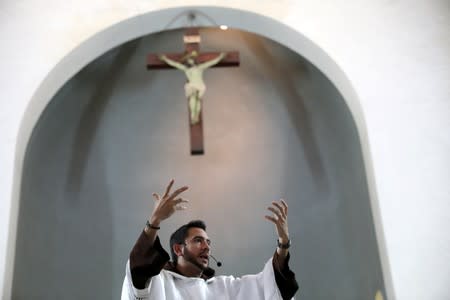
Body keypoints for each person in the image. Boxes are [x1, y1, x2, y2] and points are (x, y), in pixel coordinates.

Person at [121, 179, 299, 299]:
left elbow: (271, 287)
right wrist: (154, 221)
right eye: (198, 240)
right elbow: (139, 268)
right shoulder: (159, 282)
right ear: (178, 249)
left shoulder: (224, 288)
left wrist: (283, 244)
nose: (206, 246)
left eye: (208, 242)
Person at [159, 51, 226, 125]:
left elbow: (212, 62)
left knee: (198, 99)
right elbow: (175, 64)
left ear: (194, 60)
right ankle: (193, 116)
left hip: (200, 85)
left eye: (191, 59)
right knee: (192, 99)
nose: (190, 61)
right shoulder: (186, 69)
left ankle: (196, 115)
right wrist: (165, 59)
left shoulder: (200, 67)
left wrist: (220, 57)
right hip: (191, 85)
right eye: (188, 60)